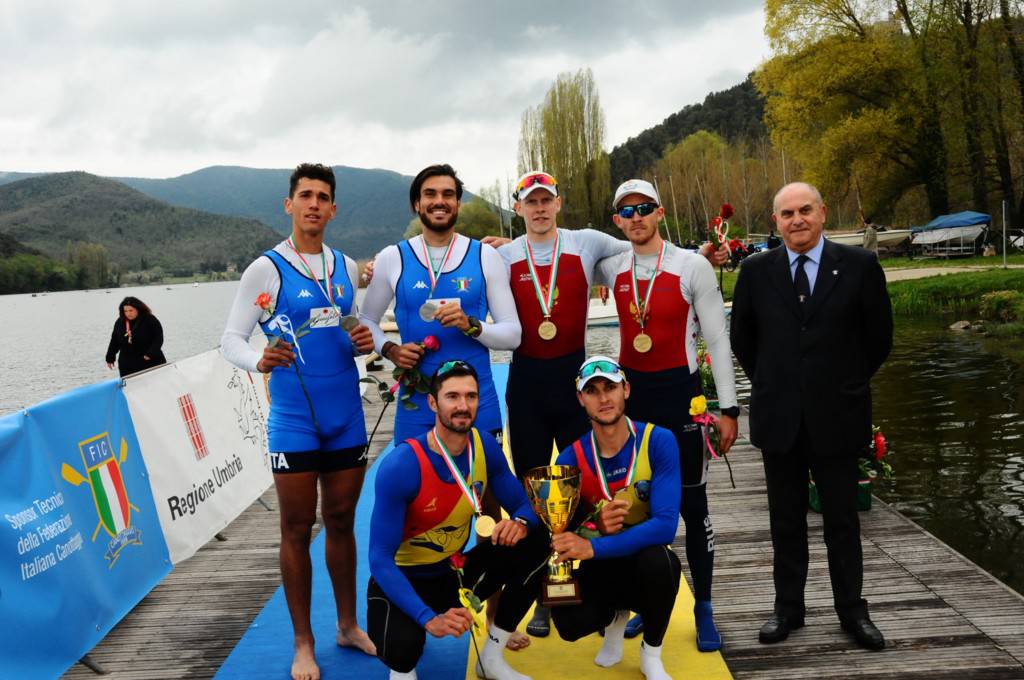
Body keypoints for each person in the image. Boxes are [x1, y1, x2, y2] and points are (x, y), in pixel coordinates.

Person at [478, 171, 726, 639]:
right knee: (540, 496)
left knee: (593, 492)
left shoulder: (588, 241)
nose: (539, 209)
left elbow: (643, 248)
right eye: (530, 202)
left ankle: (611, 588)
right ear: (518, 209)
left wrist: (699, 258)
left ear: (558, 203)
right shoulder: (501, 255)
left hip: (575, 385)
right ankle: (549, 595)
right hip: (527, 386)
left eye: (546, 200)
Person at [221, 163, 377, 680]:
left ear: (333, 209)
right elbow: (232, 341)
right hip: (293, 419)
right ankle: (303, 641)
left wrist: (364, 338)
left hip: (346, 416)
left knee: (340, 521)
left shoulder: (347, 266)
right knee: (295, 526)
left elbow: (353, 326)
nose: (314, 204)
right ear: (288, 205)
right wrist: (257, 362)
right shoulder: (264, 269)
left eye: (323, 197)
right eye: (305, 195)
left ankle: (348, 625)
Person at [729, 182, 893, 651]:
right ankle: (788, 609)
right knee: (785, 521)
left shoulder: (859, 267)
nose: (796, 220)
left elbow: (878, 337)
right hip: (780, 418)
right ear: (775, 222)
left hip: (839, 415)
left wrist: (846, 381)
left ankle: (852, 612)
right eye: (786, 213)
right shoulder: (756, 271)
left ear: (822, 212)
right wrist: (776, 382)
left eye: (804, 210)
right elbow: (744, 340)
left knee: (842, 520)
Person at [594, 179, 739, 652]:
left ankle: (704, 608)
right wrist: (499, 248)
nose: (636, 217)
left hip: (681, 399)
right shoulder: (611, 264)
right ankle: (644, 603)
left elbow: (717, 339)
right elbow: (554, 248)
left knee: (693, 510)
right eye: (626, 211)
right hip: (633, 402)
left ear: (659, 212)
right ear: (617, 221)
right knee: (636, 509)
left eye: (644, 208)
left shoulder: (691, 265)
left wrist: (728, 409)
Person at [367, 360, 549, 680]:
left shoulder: (484, 447)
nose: (463, 406)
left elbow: (526, 505)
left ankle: (491, 658)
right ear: (433, 403)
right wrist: (428, 619)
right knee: (403, 649)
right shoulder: (402, 466)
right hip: (404, 578)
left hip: (453, 572)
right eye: (452, 397)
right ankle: (403, 669)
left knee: (536, 541)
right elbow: (379, 559)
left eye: (471, 396)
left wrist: (520, 522)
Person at [359, 164, 521, 442]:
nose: (439, 201)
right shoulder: (391, 257)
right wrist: (390, 349)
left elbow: (513, 335)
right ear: (416, 204)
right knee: (415, 485)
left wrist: (470, 325)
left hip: (475, 402)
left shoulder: (485, 256)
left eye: (448, 194)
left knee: (481, 485)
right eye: (430, 194)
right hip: (417, 405)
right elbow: (366, 321)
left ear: (458, 203)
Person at [549, 356, 682, 680]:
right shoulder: (570, 458)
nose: (603, 398)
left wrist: (593, 546)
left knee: (662, 563)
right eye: (592, 390)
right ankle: (614, 619)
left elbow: (666, 526)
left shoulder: (658, 441)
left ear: (627, 389)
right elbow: (560, 532)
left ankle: (651, 653)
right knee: (568, 625)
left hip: (641, 558)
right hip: (603, 564)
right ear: (581, 399)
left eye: (610, 387)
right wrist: (595, 528)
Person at [105, 297, 166, 377]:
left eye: (131, 310)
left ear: (138, 309)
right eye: (125, 311)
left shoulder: (150, 319)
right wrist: (110, 357)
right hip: (127, 365)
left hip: (150, 361)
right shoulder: (120, 322)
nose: (128, 313)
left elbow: (158, 338)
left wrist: (151, 353)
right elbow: (114, 341)